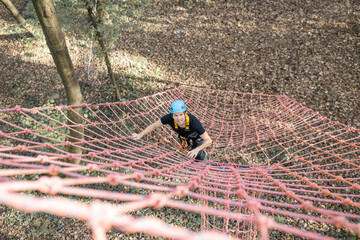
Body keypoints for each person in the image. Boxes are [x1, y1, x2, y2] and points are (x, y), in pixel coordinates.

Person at [132, 100, 212, 161]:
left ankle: (203, 157)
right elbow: (154, 125)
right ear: (172, 115)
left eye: (181, 114)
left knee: (198, 154)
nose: (179, 118)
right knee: (189, 152)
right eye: (176, 115)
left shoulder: (194, 122)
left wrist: (197, 149)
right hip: (184, 136)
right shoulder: (169, 118)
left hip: (197, 136)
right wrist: (140, 134)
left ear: (185, 113)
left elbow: (208, 140)